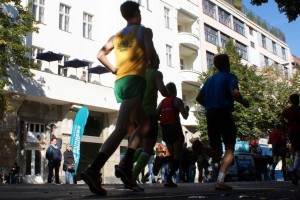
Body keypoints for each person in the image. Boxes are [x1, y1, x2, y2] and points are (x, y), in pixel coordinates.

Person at [80, 1, 157, 195]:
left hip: (121, 82)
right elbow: (152, 56)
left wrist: (115, 69)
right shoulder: (144, 31)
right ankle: (94, 169)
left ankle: (125, 163)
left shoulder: (116, 36)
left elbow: (100, 54)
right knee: (122, 128)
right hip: (134, 81)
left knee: (145, 124)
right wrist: (152, 60)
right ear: (138, 13)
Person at [196, 54, 249, 190]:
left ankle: (203, 149)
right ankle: (220, 181)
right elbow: (235, 93)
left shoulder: (209, 80)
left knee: (217, 152)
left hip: (210, 114)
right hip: (224, 113)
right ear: (228, 63)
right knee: (230, 148)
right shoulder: (230, 77)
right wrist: (244, 103)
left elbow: (198, 97)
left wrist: (209, 104)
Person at [131, 54, 170, 185]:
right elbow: (163, 91)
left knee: (142, 147)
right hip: (150, 113)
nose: (158, 64)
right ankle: (132, 176)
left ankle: (125, 164)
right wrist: (170, 94)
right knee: (148, 149)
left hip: (137, 113)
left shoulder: (139, 74)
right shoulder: (156, 74)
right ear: (153, 62)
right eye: (157, 62)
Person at [158, 82, 190, 187]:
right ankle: (168, 178)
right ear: (175, 90)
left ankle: (161, 161)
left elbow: (157, 116)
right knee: (178, 156)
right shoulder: (177, 101)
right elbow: (185, 116)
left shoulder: (162, 103)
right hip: (175, 129)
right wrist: (187, 110)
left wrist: (164, 117)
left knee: (172, 156)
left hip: (165, 130)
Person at [279, 93, 300, 185]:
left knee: (295, 151)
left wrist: (287, 124)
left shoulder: (286, 110)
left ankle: (294, 170)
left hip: (291, 132)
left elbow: (280, 119)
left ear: (290, 101)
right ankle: (294, 170)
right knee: (298, 152)